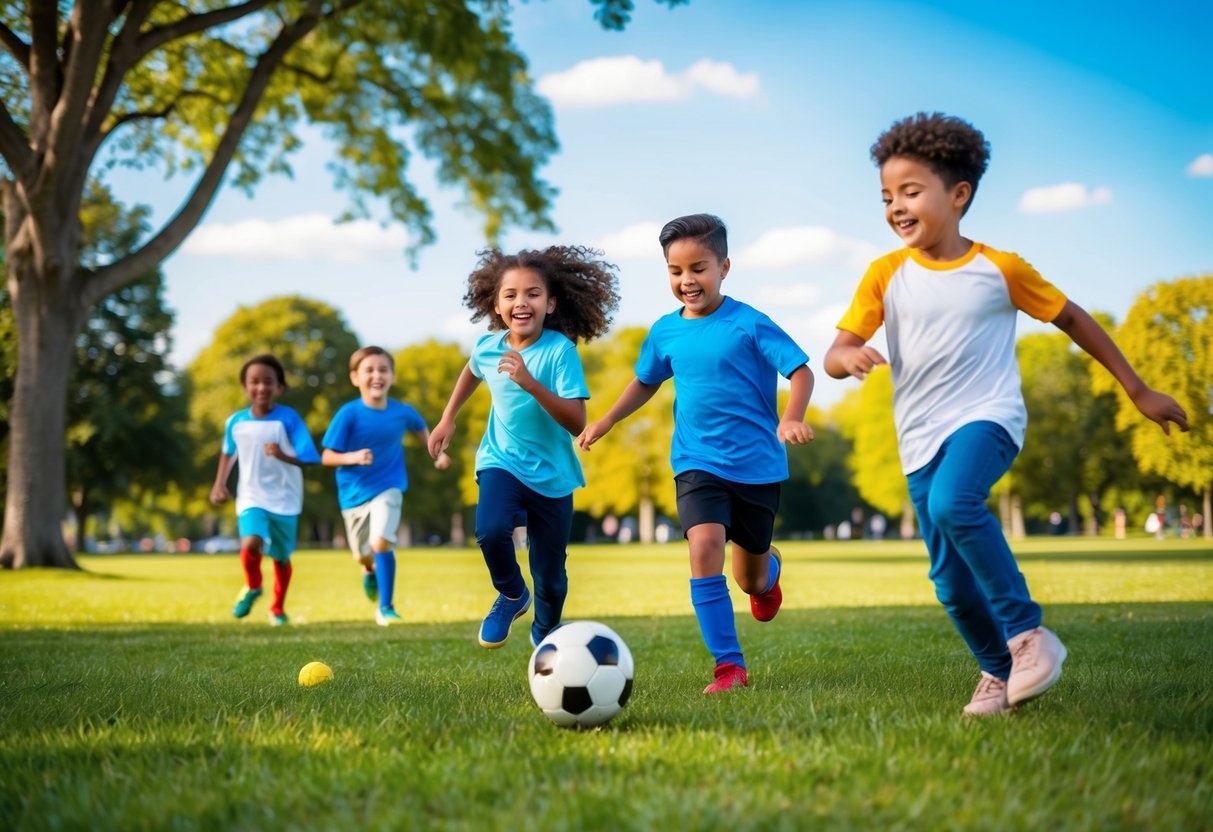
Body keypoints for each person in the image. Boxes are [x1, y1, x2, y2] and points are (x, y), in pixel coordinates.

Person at [823, 112, 1190, 716]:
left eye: (911, 192)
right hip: (919, 439)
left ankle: (1029, 637)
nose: (896, 207)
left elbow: (1073, 318)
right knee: (950, 585)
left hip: (988, 417)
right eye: (887, 196)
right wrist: (848, 358)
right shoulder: (884, 275)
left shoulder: (1001, 269)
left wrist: (1138, 389)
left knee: (953, 503)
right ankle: (997, 672)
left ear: (959, 194)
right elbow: (836, 350)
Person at [578, 213, 815, 694]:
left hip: (757, 468)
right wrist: (604, 420)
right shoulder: (665, 331)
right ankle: (729, 666)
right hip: (696, 462)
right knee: (704, 547)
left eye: (698, 268)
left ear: (724, 266)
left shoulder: (750, 323)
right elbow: (646, 381)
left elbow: (802, 371)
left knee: (748, 579)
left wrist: (791, 417)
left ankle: (768, 572)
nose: (687, 280)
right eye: (675, 270)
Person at [428, 246, 619, 649]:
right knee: (491, 529)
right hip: (501, 459)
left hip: (552, 475)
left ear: (550, 304)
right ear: (496, 305)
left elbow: (576, 421)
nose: (521, 302)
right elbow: (470, 372)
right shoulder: (488, 346)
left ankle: (546, 632)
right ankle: (512, 593)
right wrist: (449, 417)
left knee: (551, 576)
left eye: (533, 293)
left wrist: (530, 382)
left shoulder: (559, 352)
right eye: (511, 294)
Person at [322, 346, 444, 626]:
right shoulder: (348, 414)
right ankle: (368, 570)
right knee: (362, 555)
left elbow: (421, 429)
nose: (377, 375)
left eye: (383, 369)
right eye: (369, 370)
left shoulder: (402, 412)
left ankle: (386, 607)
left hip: (389, 486)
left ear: (391, 376)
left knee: (381, 541)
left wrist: (437, 454)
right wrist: (352, 456)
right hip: (353, 495)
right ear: (355, 378)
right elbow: (327, 456)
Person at [210, 354, 321, 626]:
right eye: (254, 382)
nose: (261, 387)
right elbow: (227, 454)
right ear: (245, 386)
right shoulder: (235, 422)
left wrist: (283, 455)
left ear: (279, 387)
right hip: (251, 496)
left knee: (281, 558)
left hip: (286, 499)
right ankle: (253, 585)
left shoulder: (289, 419)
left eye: (268, 382)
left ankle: (277, 609)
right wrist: (219, 484)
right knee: (250, 542)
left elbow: (310, 457)